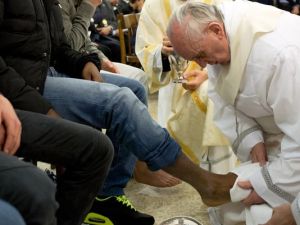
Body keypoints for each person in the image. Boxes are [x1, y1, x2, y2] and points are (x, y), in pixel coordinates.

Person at [1, 1, 241, 225]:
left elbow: (57, 46)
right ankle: (201, 181)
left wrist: (84, 62)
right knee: (119, 102)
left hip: (45, 72)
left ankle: (109, 192)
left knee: (133, 88)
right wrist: (42, 106)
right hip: (25, 83)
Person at [167, 0, 300, 224]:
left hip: (294, 149)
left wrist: (269, 189)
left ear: (216, 30)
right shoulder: (222, 28)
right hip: (275, 142)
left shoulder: (281, 56)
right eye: (194, 59)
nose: (201, 65)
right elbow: (224, 92)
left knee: (256, 214)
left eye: (200, 56)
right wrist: (252, 138)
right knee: (228, 207)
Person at [136, 0, 236, 175]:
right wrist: (162, 51)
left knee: (215, 95)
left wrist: (207, 73)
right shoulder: (154, 5)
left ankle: (220, 168)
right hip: (176, 80)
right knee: (212, 96)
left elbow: (233, 39)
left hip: (218, 70)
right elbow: (145, 50)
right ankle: (211, 168)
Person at [0, 94, 113, 225]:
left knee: (97, 148)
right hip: (30, 86)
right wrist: (44, 108)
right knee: (37, 189)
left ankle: (111, 196)